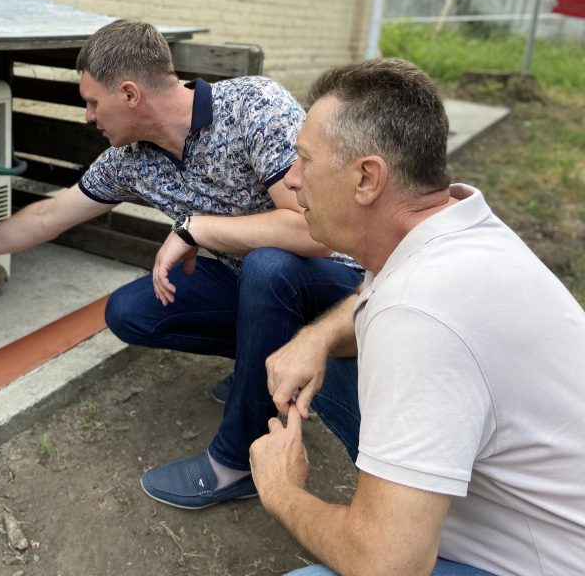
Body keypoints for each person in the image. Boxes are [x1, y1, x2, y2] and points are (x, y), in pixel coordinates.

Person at [0, 19, 363, 508]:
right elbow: (52, 214)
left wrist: (197, 228)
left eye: (93, 102)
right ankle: (259, 363)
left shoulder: (253, 107)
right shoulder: (129, 159)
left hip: (335, 284)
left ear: (131, 95)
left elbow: (314, 232)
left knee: (269, 264)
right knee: (130, 310)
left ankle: (235, 463)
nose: (88, 116)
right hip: (249, 281)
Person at [250, 58, 585, 575]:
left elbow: (386, 566)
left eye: (304, 158)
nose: (292, 179)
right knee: (339, 365)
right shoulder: (449, 229)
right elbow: (385, 302)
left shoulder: (421, 315)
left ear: (367, 179)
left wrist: (281, 491)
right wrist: (315, 337)